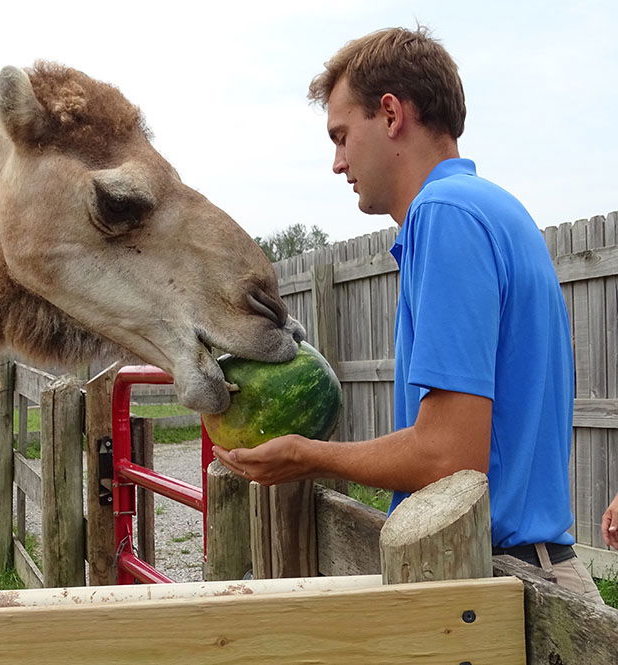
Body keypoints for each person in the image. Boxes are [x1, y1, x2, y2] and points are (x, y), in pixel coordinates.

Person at [213, 26, 603, 602]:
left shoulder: (444, 216)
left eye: (342, 136)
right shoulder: (494, 208)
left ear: (391, 114)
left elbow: (449, 456)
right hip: (526, 570)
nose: (338, 163)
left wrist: (307, 456)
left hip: (503, 585)